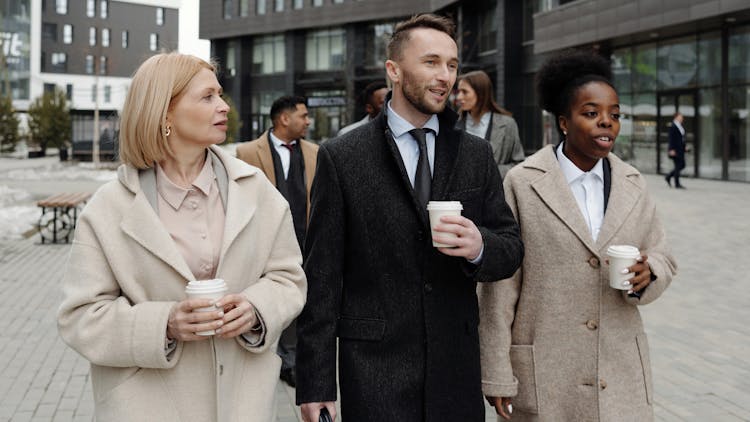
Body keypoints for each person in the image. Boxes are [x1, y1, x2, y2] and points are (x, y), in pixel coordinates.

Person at [296, 14, 524, 422]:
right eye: (431, 62)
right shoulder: (343, 156)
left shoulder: (476, 154)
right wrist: (314, 384)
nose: (445, 77)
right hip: (373, 369)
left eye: (452, 65)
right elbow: (322, 277)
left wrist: (480, 246)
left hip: (455, 369)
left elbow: (510, 248)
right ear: (394, 71)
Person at [57, 52, 306, 422]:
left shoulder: (256, 190)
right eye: (207, 97)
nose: (224, 106)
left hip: (242, 405)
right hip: (145, 407)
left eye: (220, 95)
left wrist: (256, 308)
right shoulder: (108, 208)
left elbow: (289, 279)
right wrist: (165, 324)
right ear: (165, 113)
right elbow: (80, 318)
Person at [478, 49, 677, 421]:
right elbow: (499, 288)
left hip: (620, 371)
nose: (607, 123)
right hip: (547, 371)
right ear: (564, 122)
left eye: (614, 116)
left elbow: (663, 254)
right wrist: (497, 374)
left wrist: (651, 274)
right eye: (592, 114)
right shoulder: (523, 183)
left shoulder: (633, 184)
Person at [236, 95, 318, 387]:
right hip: (264, 243)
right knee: (270, 297)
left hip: (306, 240)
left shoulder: (315, 153)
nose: (308, 121)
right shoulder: (246, 153)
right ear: (284, 119)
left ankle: (292, 359)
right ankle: (278, 355)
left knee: (300, 300)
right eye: (303, 115)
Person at [456, 70, 525, 178]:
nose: (459, 97)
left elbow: (519, 164)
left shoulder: (507, 125)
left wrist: (490, 171)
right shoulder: (452, 125)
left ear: (481, 93)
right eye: (458, 91)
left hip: (495, 193)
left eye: (464, 92)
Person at [665, 112, 687, 189]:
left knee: (682, 165)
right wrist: (671, 149)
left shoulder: (680, 126)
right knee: (679, 165)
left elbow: (681, 138)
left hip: (680, 149)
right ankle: (677, 183)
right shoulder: (673, 126)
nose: (682, 118)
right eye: (681, 117)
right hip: (675, 150)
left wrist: (684, 147)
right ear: (676, 117)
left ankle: (669, 176)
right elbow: (671, 139)